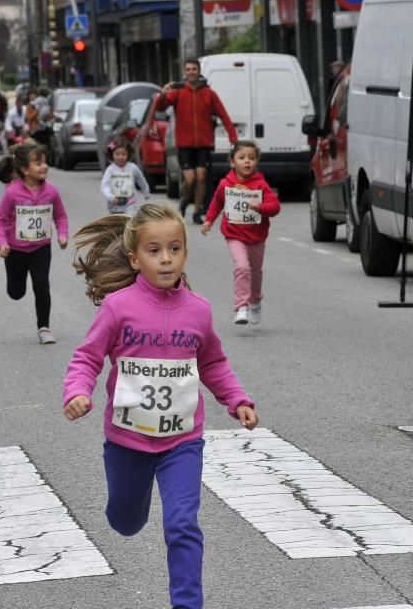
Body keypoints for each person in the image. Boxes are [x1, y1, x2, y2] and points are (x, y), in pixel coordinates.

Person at [63, 201, 259, 609]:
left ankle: (187, 604)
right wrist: (77, 391)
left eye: (174, 249)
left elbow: (213, 362)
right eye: (154, 251)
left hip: (181, 442)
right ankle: (125, 511)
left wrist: (236, 399)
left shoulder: (199, 311)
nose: (166, 258)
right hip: (127, 442)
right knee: (126, 522)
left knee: (182, 524)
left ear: (185, 253)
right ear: (135, 259)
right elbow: (87, 357)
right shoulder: (119, 308)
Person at [0, 143, 68, 344]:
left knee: (41, 285)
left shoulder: (51, 191)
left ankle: (44, 327)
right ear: (25, 169)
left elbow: (60, 215)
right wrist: (1, 244)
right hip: (15, 250)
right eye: (38, 163)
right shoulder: (12, 193)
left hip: (41, 247)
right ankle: (16, 287)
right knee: (16, 293)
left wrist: (62, 235)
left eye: (45, 162)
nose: (44, 166)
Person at [201, 140, 281, 324]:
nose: (247, 161)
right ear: (232, 162)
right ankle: (241, 306)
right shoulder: (225, 184)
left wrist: (260, 207)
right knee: (242, 267)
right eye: (242, 157)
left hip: (256, 236)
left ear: (256, 162)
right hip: (234, 234)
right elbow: (217, 203)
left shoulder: (261, 184)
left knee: (255, 272)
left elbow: (275, 207)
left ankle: (255, 301)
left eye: (252, 158)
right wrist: (208, 221)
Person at [156, 58, 238, 224]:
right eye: (188, 69)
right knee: (190, 179)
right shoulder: (178, 92)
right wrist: (163, 93)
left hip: (204, 143)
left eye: (194, 69)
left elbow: (223, 115)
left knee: (201, 177)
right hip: (184, 144)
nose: (191, 72)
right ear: (185, 72)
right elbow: (160, 107)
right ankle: (185, 200)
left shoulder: (209, 93)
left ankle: (197, 211)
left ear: (199, 71)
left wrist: (233, 137)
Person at [100, 138, 150, 215]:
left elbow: (141, 180)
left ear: (128, 154)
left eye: (123, 154)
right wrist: (111, 197)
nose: (120, 157)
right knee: (116, 222)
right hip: (114, 203)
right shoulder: (110, 170)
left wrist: (146, 191)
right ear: (112, 154)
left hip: (130, 202)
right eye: (117, 154)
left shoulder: (132, 167)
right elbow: (104, 185)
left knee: (128, 220)